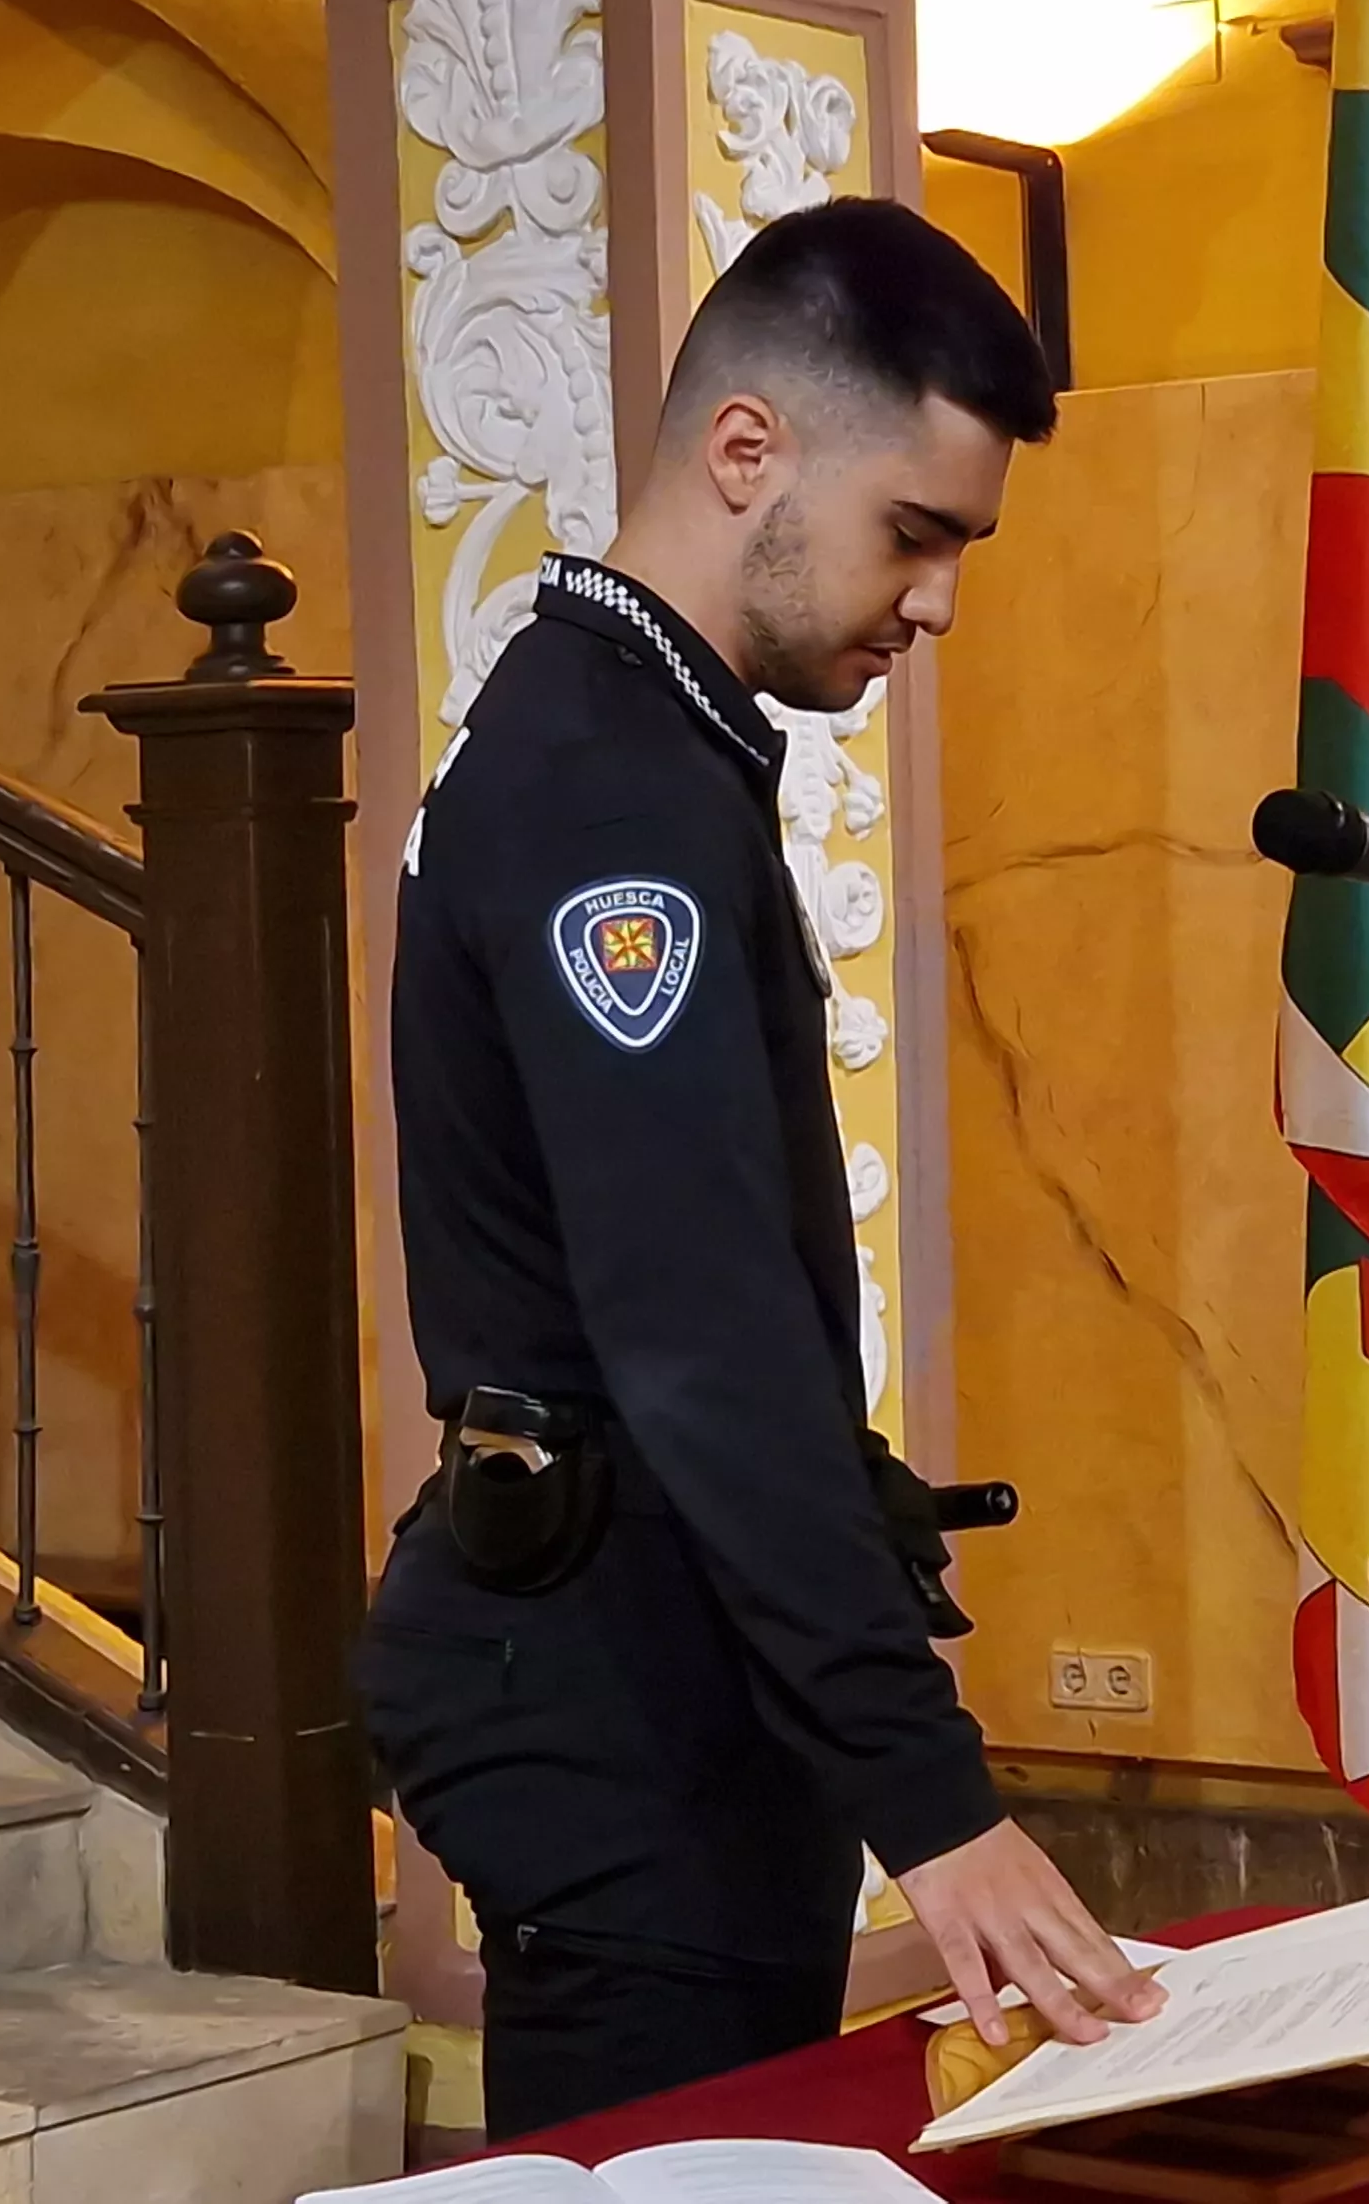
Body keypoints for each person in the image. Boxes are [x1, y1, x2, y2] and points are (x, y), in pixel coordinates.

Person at [359, 197, 1162, 2139]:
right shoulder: (601, 787)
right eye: (918, 531)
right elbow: (700, 1342)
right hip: (609, 1691)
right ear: (748, 453)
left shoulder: (648, 742)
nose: (940, 600)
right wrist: (933, 1798)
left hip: (674, 1681)